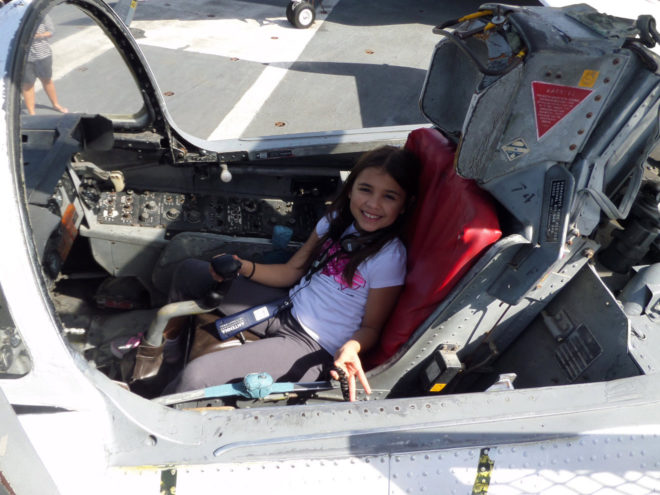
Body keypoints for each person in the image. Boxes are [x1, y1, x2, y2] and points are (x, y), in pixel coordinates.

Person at [163, 145, 421, 401]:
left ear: (405, 204)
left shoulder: (389, 257)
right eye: (366, 189)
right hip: (285, 307)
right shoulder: (335, 222)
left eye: (389, 196)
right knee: (188, 273)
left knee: (196, 376)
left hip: (314, 345)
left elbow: (371, 327)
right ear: (351, 188)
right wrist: (242, 266)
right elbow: (291, 271)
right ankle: (166, 356)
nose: (373, 204)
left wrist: (351, 348)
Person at [22, 16, 68, 116]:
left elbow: (51, 31)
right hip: (25, 58)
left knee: (47, 80)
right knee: (27, 85)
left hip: (43, 55)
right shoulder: (18, 16)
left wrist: (39, 35)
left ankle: (55, 104)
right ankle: (31, 113)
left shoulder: (41, 14)